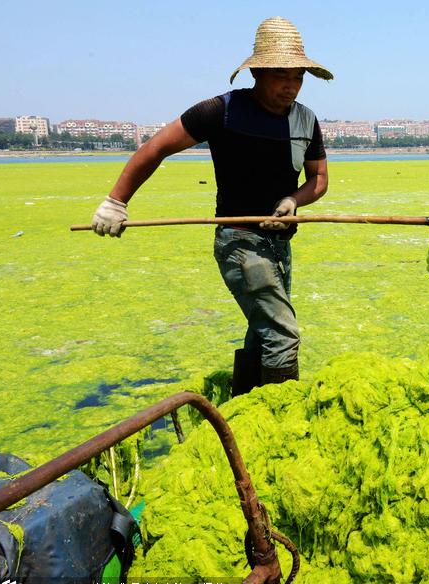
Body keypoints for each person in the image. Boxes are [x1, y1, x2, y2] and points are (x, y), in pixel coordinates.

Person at [91, 17, 332, 394]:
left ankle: (244, 401)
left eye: (298, 76)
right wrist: (115, 202)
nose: (291, 86)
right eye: (281, 75)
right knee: (283, 334)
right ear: (258, 72)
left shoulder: (306, 119)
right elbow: (156, 148)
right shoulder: (222, 111)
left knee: (263, 329)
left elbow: (318, 181)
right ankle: (282, 419)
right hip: (240, 244)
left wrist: (292, 200)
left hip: (280, 246)